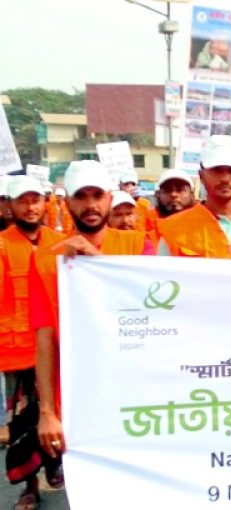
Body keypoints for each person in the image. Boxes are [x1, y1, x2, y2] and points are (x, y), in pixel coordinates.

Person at [33, 160, 153, 475]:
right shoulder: (45, 259)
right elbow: (45, 341)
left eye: (97, 195)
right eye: (81, 196)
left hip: (137, 394)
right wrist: (47, 412)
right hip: (78, 402)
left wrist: (96, 260)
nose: (90, 205)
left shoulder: (139, 245)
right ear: (66, 202)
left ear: (109, 198)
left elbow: (153, 307)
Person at [0, 177, 67, 510]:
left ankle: (56, 466)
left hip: (56, 344)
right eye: (22, 201)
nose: (30, 207)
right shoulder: (2, 245)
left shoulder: (62, 243)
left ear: (45, 203)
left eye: (35, 200)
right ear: (9, 206)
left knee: (58, 413)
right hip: (17, 351)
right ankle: (29, 485)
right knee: (23, 425)